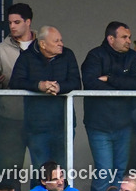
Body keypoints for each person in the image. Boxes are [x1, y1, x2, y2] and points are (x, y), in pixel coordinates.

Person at [81, 21, 136, 191]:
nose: (129, 41)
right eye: (124, 37)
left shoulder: (133, 57)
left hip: (124, 125)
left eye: (129, 37)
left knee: (119, 176)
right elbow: (90, 83)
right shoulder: (95, 55)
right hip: (99, 125)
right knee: (103, 173)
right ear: (110, 39)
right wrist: (121, 85)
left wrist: (110, 79)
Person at [9, 25, 82, 170]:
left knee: (61, 171)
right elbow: (15, 82)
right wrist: (39, 86)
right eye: (56, 41)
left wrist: (59, 87)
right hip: (37, 126)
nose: (61, 44)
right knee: (40, 170)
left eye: (61, 40)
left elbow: (76, 82)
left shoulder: (68, 55)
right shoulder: (27, 57)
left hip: (63, 124)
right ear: (42, 44)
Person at [0, 2, 35, 184]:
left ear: (28, 22)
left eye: (17, 22)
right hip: (11, 116)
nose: (12, 26)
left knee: (41, 168)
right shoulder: (1, 49)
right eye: (10, 23)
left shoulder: (42, 45)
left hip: (39, 116)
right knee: (10, 169)